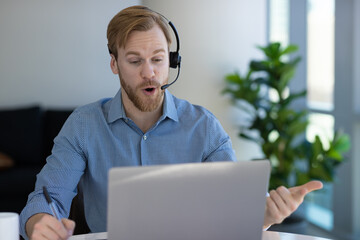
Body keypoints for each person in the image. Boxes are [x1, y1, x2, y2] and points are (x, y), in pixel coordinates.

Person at [20, 5, 323, 240]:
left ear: (171, 61)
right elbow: (46, 198)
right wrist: (40, 223)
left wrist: (265, 214)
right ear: (115, 64)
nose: (149, 72)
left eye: (158, 59)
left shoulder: (204, 127)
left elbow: (234, 212)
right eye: (135, 60)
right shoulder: (84, 125)